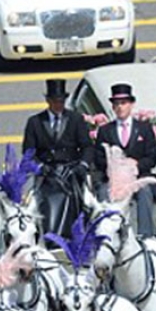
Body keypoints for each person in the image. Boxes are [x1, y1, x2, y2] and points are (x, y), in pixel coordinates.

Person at [22, 78, 94, 238]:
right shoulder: (35, 122)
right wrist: (40, 167)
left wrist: (82, 165)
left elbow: (87, 146)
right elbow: (28, 152)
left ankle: (84, 231)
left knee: (89, 204)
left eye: (61, 101)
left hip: (71, 172)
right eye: (55, 101)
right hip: (47, 174)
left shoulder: (76, 119)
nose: (58, 105)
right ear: (48, 101)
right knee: (29, 205)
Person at [93, 82, 156, 236]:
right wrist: (114, 167)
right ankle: (106, 234)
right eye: (116, 104)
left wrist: (135, 166)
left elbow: (152, 157)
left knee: (144, 192)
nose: (120, 107)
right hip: (113, 180)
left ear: (131, 104)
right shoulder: (105, 130)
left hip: (138, 177)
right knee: (103, 194)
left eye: (124, 103)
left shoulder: (144, 129)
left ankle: (146, 235)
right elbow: (98, 158)